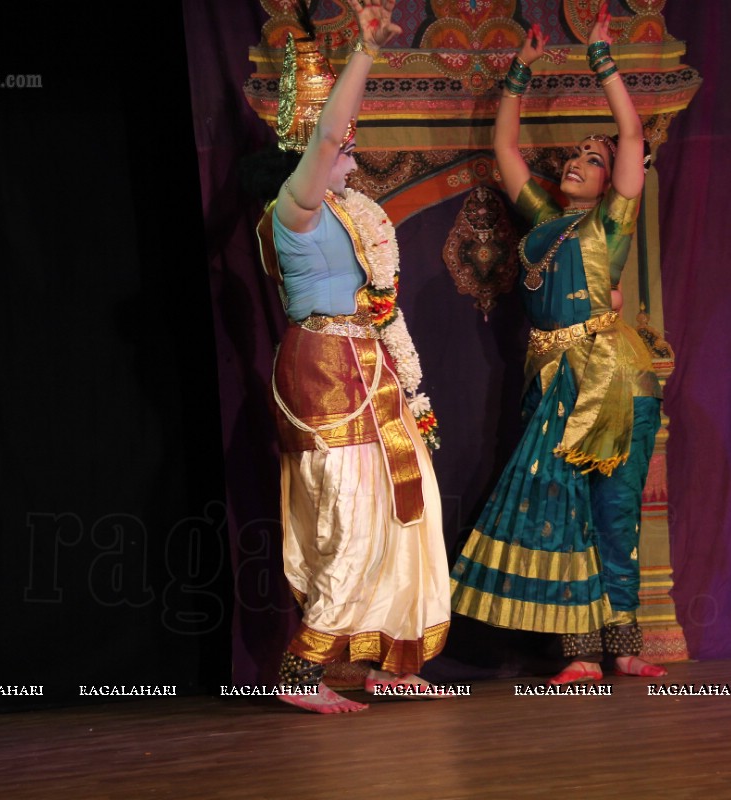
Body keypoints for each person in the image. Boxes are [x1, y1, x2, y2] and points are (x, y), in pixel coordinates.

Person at [449, 8, 668, 685]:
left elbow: (632, 132)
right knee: (561, 510)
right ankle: (581, 655)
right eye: (575, 155)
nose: (578, 162)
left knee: (615, 510)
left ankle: (624, 646)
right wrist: (521, 70)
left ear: (611, 183)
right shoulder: (544, 223)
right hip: (555, 381)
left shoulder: (612, 224)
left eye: (592, 159)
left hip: (615, 379)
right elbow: (506, 149)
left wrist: (602, 58)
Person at [259, 0, 449, 713]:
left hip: (374, 370)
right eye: (342, 148)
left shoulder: (350, 212)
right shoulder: (294, 211)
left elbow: (383, 304)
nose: (352, 153)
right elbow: (327, 134)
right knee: (352, 517)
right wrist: (365, 51)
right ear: (311, 151)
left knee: (412, 508)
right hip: (325, 377)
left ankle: (388, 657)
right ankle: (300, 673)